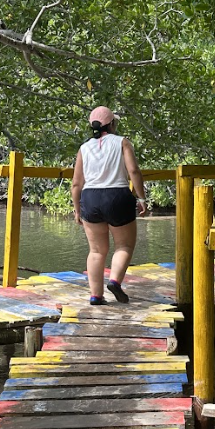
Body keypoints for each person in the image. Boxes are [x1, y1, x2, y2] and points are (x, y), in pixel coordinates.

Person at [71, 107, 147, 304]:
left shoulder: (84, 148)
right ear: (112, 124)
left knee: (96, 251)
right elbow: (134, 171)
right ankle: (114, 280)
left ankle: (96, 295)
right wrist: (142, 198)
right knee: (124, 245)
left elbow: (77, 183)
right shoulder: (122, 142)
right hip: (118, 196)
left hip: (91, 198)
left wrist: (77, 210)